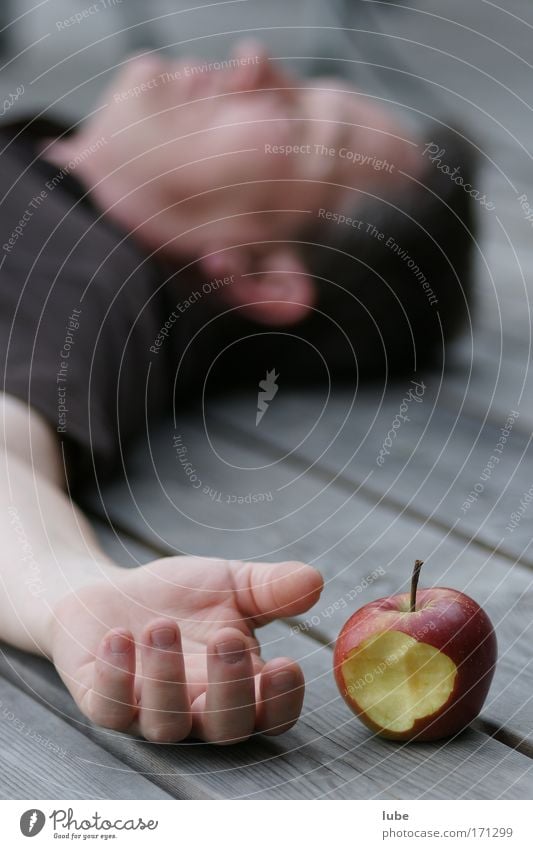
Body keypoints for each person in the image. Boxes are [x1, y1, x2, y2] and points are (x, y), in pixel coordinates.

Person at [0, 43, 475, 743]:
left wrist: (71, 590)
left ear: (259, 271)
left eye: (302, 126)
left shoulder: (70, 273)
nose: (254, 60)